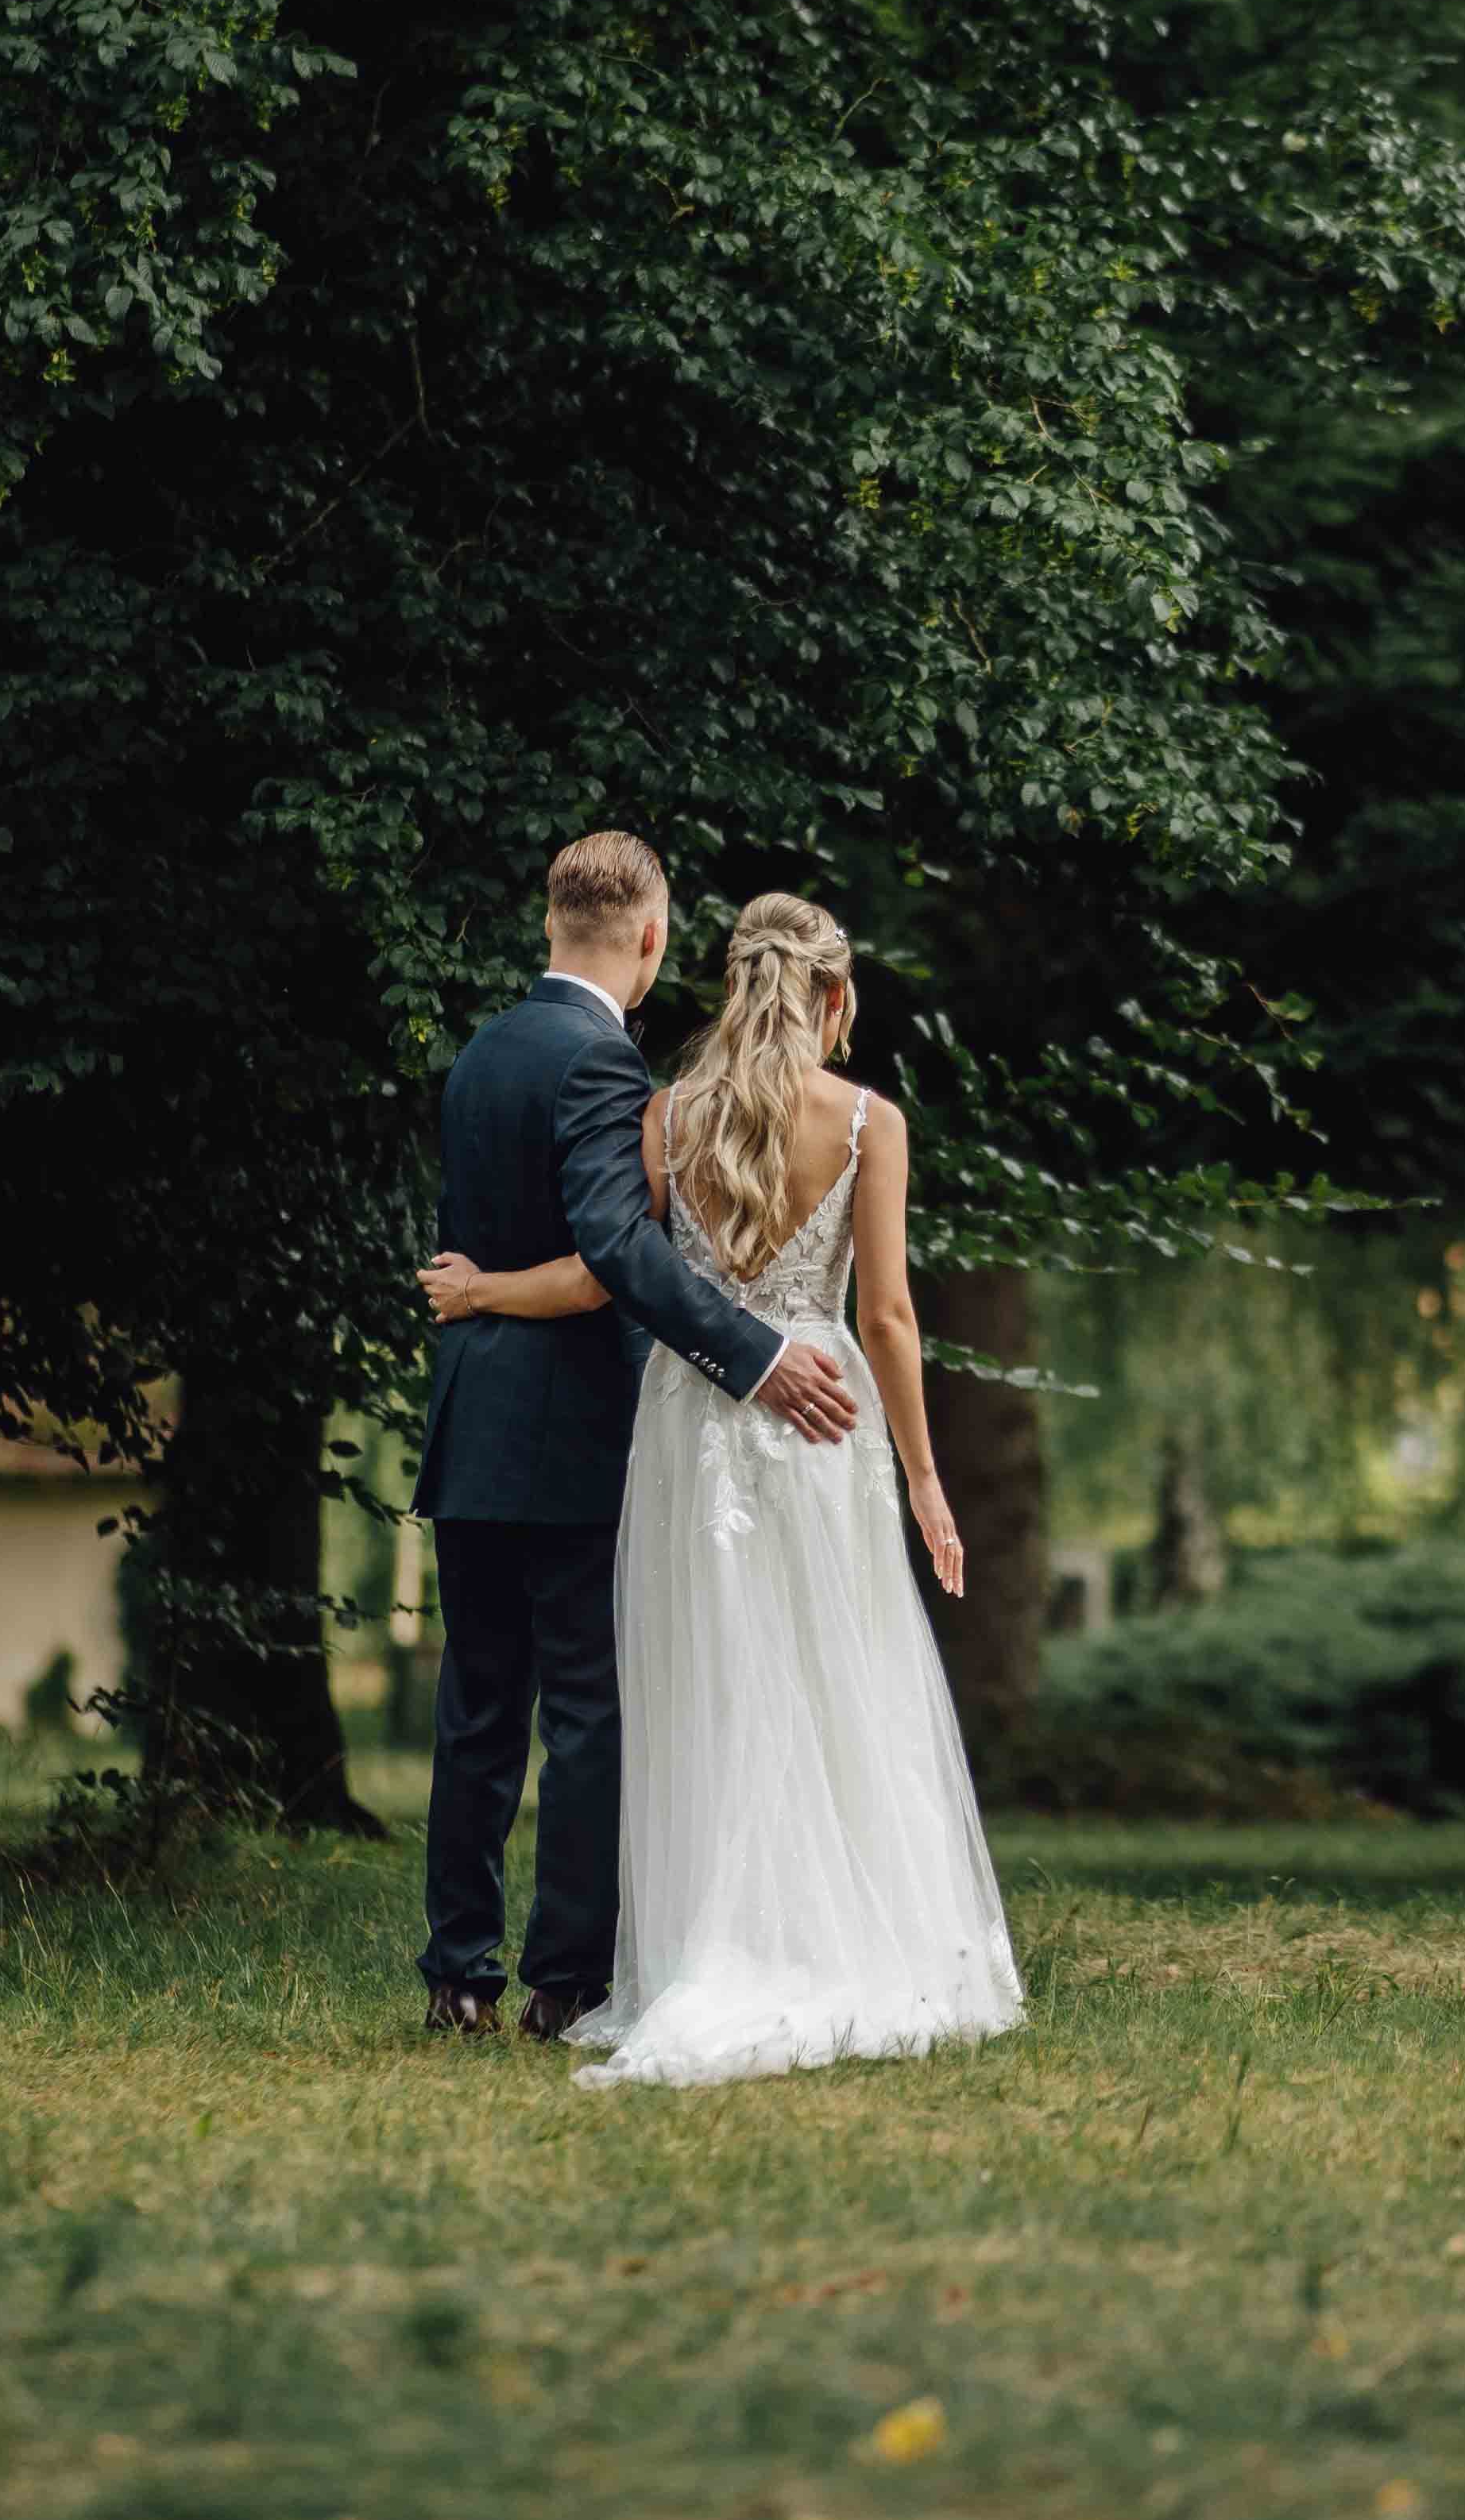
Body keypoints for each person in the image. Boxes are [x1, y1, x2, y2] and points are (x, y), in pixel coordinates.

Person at [420, 890, 1022, 2086]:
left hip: (690, 1423)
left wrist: (485, 1288)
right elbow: (891, 1317)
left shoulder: (666, 1115)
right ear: (834, 997)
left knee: (700, 1679)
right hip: (824, 1414)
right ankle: (837, 1935)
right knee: (832, 1670)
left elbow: (604, 1276)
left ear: (735, 980)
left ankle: (686, 1947)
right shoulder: (868, 1122)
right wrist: (926, 1477)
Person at [411, 834, 857, 2040]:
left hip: (469, 1424)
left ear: (549, 923)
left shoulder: (479, 1056)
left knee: (477, 1708)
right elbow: (620, 1249)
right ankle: (564, 1979)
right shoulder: (604, 1068)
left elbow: (480, 1245)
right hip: (571, 1437)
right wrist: (758, 1355)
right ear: (652, 939)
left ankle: (457, 1973)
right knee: (588, 1712)